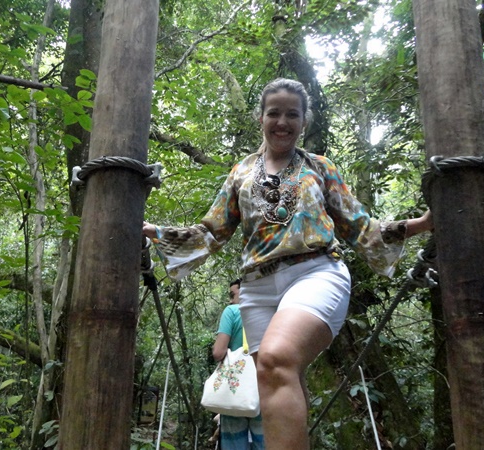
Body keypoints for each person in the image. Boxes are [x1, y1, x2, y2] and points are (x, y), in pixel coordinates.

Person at [143, 77, 433, 450]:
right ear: (260, 118)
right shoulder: (241, 172)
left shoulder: (320, 167)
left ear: (304, 121)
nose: (282, 122)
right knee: (275, 377)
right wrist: (153, 232)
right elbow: (212, 231)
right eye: (274, 113)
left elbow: (360, 227)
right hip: (256, 288)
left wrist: (422, 224)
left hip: (316, 272)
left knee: (276, 359)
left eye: (292, 114)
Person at [212, 279, 264, 450]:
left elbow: (218, 352)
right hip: (264, 388)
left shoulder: (232, 311)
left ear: (245, 290)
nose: (230, 299)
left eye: (232, 294)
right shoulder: (267, 310)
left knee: (235, 444)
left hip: (235, 391)